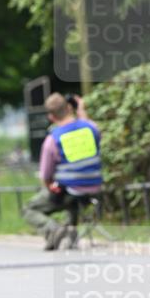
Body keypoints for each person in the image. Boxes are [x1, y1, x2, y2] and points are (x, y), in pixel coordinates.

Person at [23, 92, 103, 250]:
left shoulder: (53, 139)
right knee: (71, 196)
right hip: (94, 189)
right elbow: (89, 127)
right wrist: (81, 111)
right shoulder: (91, 128)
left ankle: (55, 231)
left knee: (29, 208)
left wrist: (49, 185)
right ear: (69, 107)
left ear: (51, 117)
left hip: (68, 191)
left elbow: (45, 175)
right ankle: (68, 235)